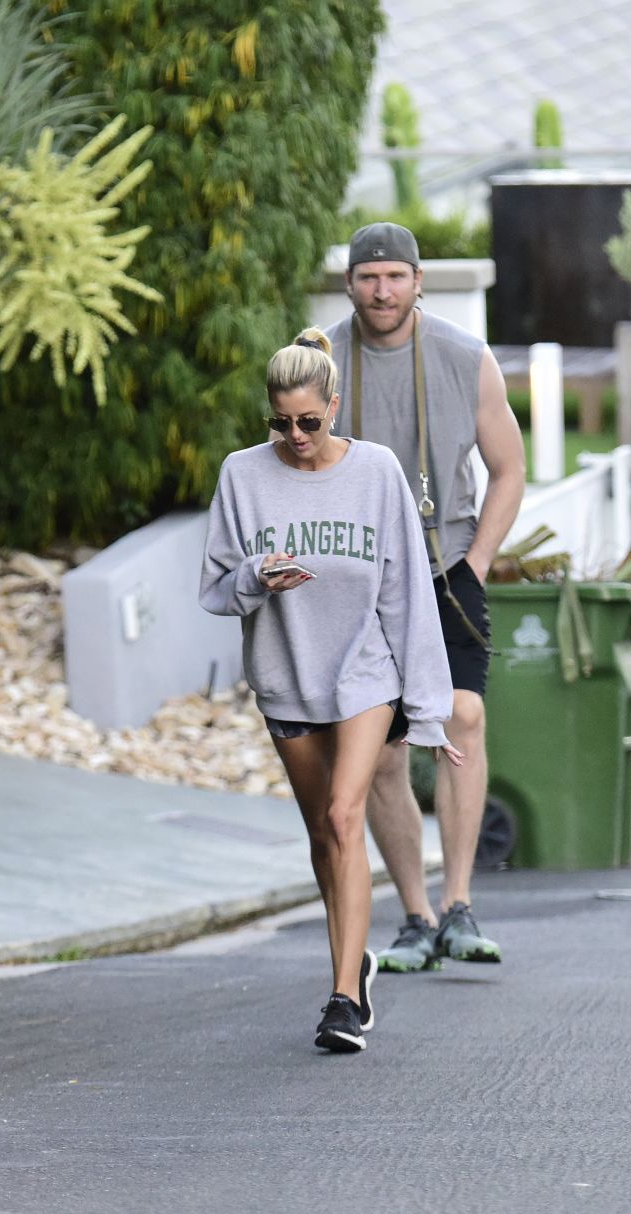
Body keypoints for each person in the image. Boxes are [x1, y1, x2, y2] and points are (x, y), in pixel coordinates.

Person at [199, 328, 462, 1053]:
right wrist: (257, 576)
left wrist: (429, 711)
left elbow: (408, 592)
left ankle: (343, 998)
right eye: (280, 423)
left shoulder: (376, 473)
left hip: (365, 675)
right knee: (324, 834)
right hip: (287, 682)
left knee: (348, 816)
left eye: (309, 422)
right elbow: (216, 592)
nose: (295, 436)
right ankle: (356, 964)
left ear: (335, 407)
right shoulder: (242, 476)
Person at [323, 223, 526, 973]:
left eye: (396, 277)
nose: (382, 291)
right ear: (350, 283)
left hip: (447, 562)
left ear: (418, 281)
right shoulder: (322, 361)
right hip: (362, 578)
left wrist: (475, 562)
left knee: (462, 716)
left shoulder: (464, 358)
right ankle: (413, 913)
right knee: (378, 754)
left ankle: (459, 903)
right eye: (369, 277)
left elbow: (508, 470)